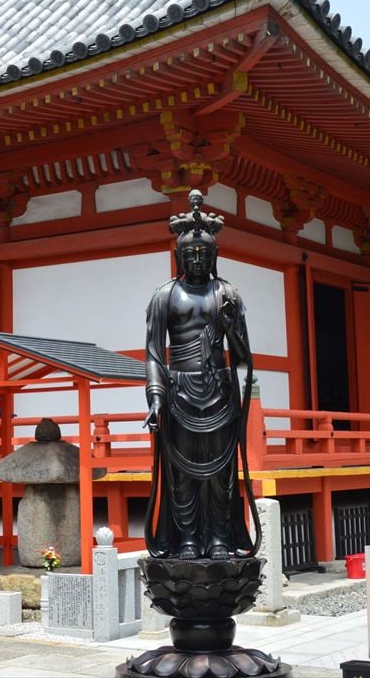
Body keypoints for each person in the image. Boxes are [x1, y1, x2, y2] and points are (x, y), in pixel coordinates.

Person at [143, 189, 259, 561]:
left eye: (203, 254)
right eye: (189, 254)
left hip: (220, 392)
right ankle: (188, 539)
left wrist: (232, 327)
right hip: (178, 392)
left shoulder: (227, 294)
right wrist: (156, 397)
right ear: (178, 256)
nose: (196, 259)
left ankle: (220, 539)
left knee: (221, 476)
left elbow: (242, 359)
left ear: (214, 256)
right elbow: (153, 354)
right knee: (181, 476)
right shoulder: (164, 295)